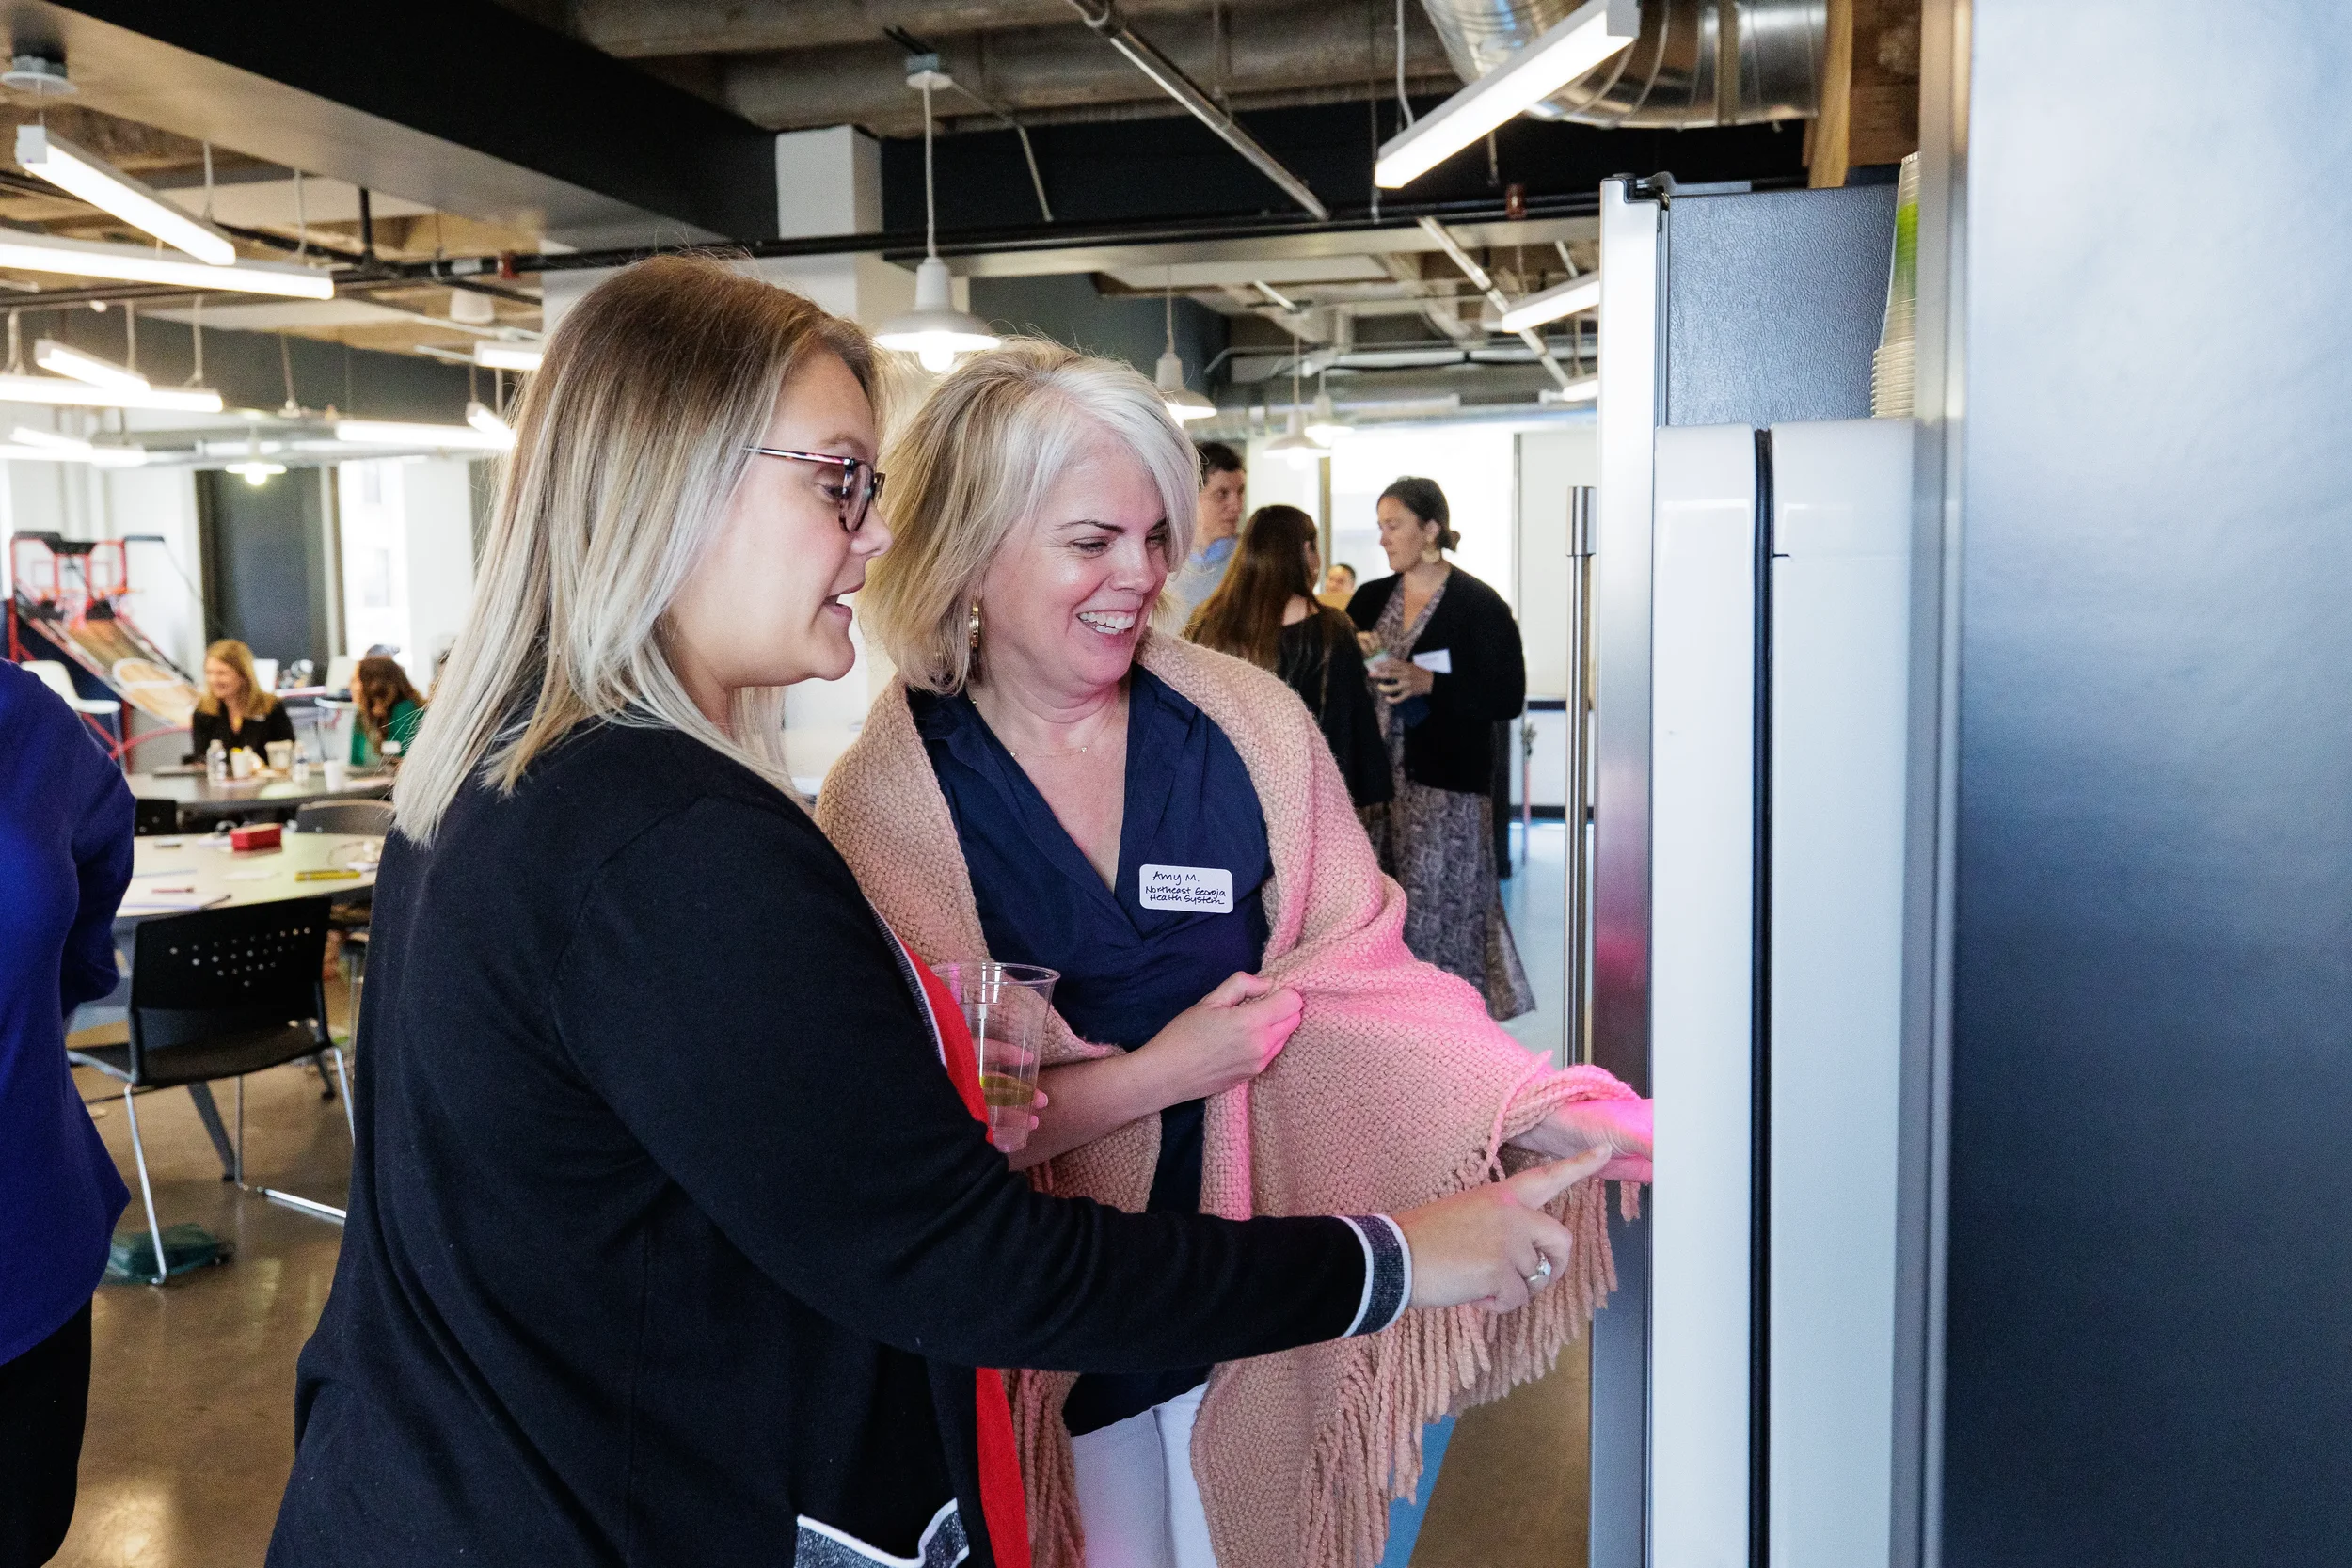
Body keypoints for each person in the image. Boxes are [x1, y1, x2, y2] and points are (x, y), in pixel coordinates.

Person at [266, 257, 1608, 1568]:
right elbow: (966, 1252)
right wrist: (1382, 1257)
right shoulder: (685, 846)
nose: (877, 530)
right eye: (840, 482)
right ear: (673, 481)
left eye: (1154, 537)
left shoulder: (488, 789)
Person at [830, 341, 1651, 1568]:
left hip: (1251, 1302)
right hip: (1047, 1337)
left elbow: (1358, 991)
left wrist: (1532, 1103)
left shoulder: (1241, 726)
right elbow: (923, 1149)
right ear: (976, 551)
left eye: (1157, 536)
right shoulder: (890, 807)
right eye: (1092, 540)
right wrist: (1169, 1066)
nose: (1141, 577)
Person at [0, 660, 132, 1568]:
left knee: (21, 1531)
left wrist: (46, 999)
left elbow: (102, 829)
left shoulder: (25, 720)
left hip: (25, 1252)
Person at [1347, 478, 1534, 1021]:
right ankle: (1388, 1029)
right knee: (1379, 914)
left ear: (1430, 529)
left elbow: (1507, 695)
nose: (1383, 538)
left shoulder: (1479, 606)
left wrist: (1431, 683)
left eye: (1394, 525)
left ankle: (1451, 1027)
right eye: (1380, 526)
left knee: (1442, 915)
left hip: (1444, 790)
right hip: (1374, 786)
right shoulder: (1369, 599)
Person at [1184, 503, 1389, 810]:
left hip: (1224, 802)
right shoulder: (1330, 628)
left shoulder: (1206, 621)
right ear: (1306, 550)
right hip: (1308, 805)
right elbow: (1347, 733)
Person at [1168, 439, 1244, 618]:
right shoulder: (1164, 565)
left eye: (1240, 492)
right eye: (1222, 494)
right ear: (1190, 497)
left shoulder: (1250, 561)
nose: (1237, 506)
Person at [184, 638, 294, 763]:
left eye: (221, 673)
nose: (213, 680)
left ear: (243, 675)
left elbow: (288, 753)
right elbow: (202, 759)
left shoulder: (271, 707)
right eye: (209, 673)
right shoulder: (203, 712)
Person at [347, 655, 423, 767]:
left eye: (355, 681)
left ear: (375, 684)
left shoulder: (405, 709)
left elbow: (411, 760)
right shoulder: (362, 716)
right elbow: (355, 764)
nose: (350, 686)